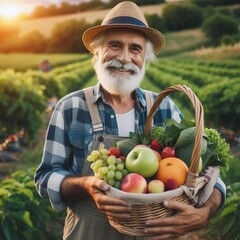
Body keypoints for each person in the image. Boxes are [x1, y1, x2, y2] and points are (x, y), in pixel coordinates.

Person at [35, 2, 226, 240]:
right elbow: (45, 178)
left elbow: (209, 173)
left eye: (135, 49)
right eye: (114, 45)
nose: (125, 58)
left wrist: (205, 212)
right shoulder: (70, 107)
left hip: (154, 231)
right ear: (96, 53)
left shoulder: (165, 108)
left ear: (144, 59)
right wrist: (85, 184)